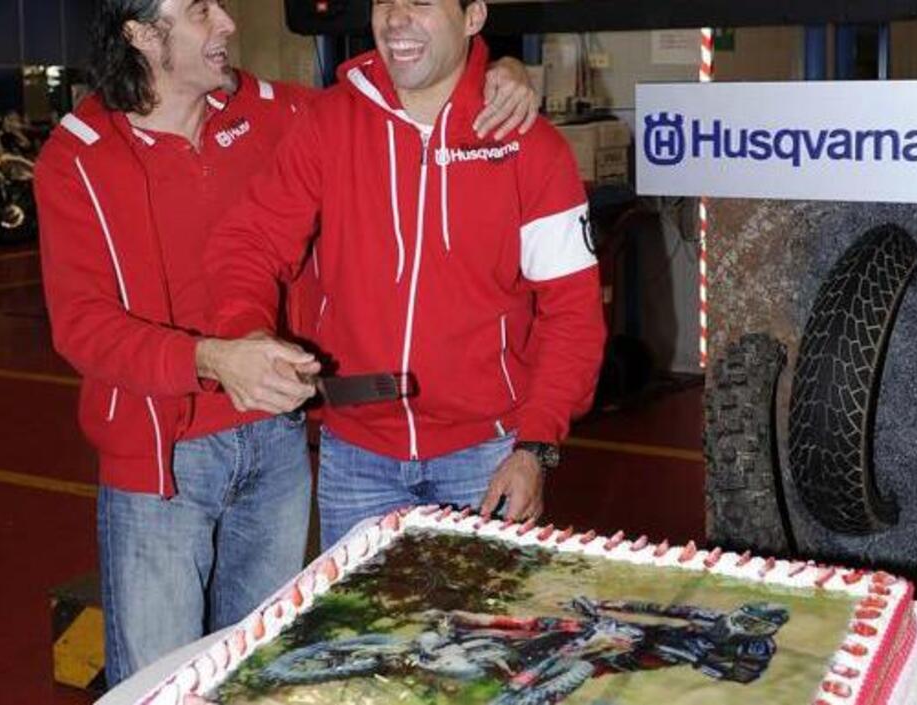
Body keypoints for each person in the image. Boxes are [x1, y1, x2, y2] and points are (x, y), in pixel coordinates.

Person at [33, 0, 538, 686]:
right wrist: (211, 358)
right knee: (159, 682)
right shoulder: (78, 156)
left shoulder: (278, 113)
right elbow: (83, 326)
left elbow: (400, 84)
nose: (227, 24)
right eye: (201, 11)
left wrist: (498, 71)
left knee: (262, 672)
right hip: (161, 462)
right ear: (142, 33)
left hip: (276, 446)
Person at [205, 0, 606, 550]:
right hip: (356, 457)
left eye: (420, 0)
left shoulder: (529, 146)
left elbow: (572, 314)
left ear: (472, 17)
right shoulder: (328, 123)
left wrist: (536, 446)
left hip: (487, 458)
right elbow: (251, 241)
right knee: (359, 613)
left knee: (481, 611)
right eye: (384, 1)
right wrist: (246, 331)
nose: (396, 17)